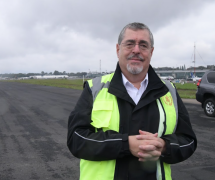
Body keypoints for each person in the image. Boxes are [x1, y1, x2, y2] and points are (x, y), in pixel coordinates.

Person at [67, 22, 197, 180]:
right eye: (130, 44)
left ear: (151, 51)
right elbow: (76, 139)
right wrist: (125, 144)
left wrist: (164, 146)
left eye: (143, 45)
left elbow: (188, 141)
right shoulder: (95, 89)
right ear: (118, 49)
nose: (136, 50)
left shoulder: (169, 91)